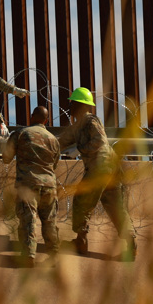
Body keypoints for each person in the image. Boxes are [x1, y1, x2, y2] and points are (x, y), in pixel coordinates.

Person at [58, 87, 137, 260]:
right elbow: (60, 143)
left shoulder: (90, 121)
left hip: (99, 168)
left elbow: (100, 142)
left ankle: (81, 241)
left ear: (80, 105)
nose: (70, 106)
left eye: (72, 103)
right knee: (115, 205)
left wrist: (79, 149)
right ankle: (130, 242)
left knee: (81, 201)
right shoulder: (78, 126)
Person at [2, 106, 62, 267]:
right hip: (49, 185)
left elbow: (6, 158)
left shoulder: (21, 134)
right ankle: (54, 256)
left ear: (31, 116)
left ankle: (28, 256)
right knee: (50, 222)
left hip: (28, 184)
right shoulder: (53, 139)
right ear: (46, 120)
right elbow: (55, 164)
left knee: (28, 220)